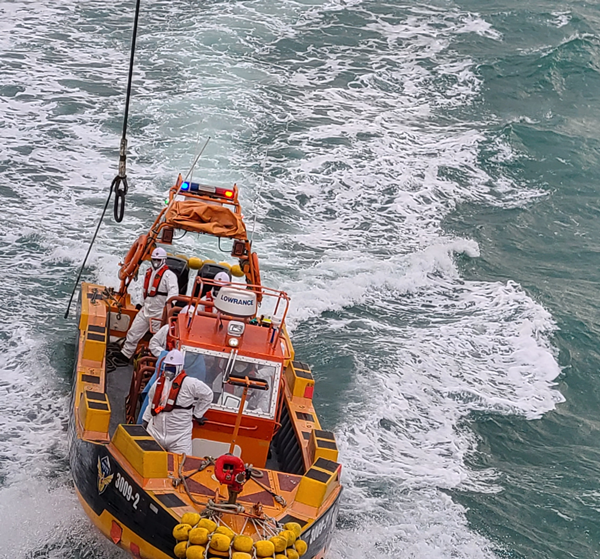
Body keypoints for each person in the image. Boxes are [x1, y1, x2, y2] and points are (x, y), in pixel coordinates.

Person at [142, 349, 213, 455]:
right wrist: (145, 420)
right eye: (167, 367)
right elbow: (151, 402)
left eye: (172, 367)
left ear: (179, 367)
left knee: (182, 466)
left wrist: (197, 413)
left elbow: (208, 395)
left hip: (179, 437)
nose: (169, 370)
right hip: (155, 432)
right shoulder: (158, 384)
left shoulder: (191, 384)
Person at [119, 247, 179, 361]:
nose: (156, 262)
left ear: (163, 260)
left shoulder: (169, 275)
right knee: (134, 331)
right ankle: (126, 354)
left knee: (157, 339)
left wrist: (168, 308)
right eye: (154, 260)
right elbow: (145, 291)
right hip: (146, 308)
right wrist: (141, 303)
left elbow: (173, 293)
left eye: (158, 260)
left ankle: (154, 360)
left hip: (159, 311)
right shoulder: (149, 272)